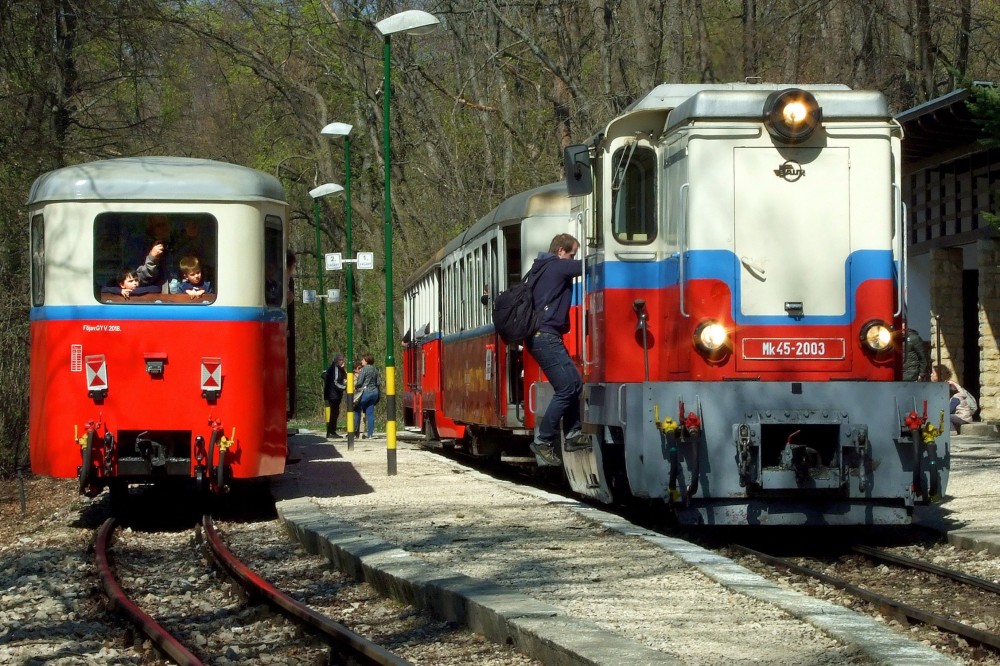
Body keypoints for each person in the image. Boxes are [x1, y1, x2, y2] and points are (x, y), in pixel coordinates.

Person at [525, 233, 584, 467]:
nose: (573, 259)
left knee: (574, 384)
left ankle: (572, 435)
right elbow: (587, 266)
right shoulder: (557, 267)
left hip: (544, 336)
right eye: (572, 254)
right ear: (561, 251)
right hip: (545, 336)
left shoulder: (542, 268)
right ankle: (543, 440)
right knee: (567, 387)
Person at [931, 364, 977, 433]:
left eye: (933, 373)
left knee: (945, 416)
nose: (931, 375)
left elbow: (949, 410)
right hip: (962, 415)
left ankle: (952, 431)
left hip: (963, 416)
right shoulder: (952, 394)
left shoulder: (954, 393)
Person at [353, 353, 381, 439]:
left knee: (357, 410)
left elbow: (360, 382)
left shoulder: (364, 369)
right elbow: (378, 382)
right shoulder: (375, 369)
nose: (361, 362)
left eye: (363, 360)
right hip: (374, 393)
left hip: (366, 392)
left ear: (366, 360)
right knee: (370, 413)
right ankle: (370, 434)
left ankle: (354, 432)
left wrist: (356, 386)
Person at [323, 354, 347, 438]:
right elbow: (335, 382)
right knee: (334, 413)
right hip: (334, 394)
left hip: (332, 393)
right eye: (340, 360)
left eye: (342, 359)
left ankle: (331, 431)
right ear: (336, 361)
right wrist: (345, 387)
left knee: (334, 413)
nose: (342, 361)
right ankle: (331, 431)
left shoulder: (334, 368)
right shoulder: (335, 368)